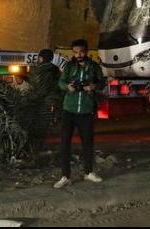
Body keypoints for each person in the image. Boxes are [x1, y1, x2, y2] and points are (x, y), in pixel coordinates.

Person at [53, 39, 106, 189]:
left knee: (87, 143)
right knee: (65, 144)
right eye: (76, 52)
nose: (79, 55)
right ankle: (65, 176)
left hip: (86, 110)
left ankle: (88, 172)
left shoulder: (94, 67)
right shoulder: (69, 66)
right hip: (69, 110)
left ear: (87, 51)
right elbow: (61, 82)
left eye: (81, 52)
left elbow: (102, 82)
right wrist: (67, 87)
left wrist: (93, 86)